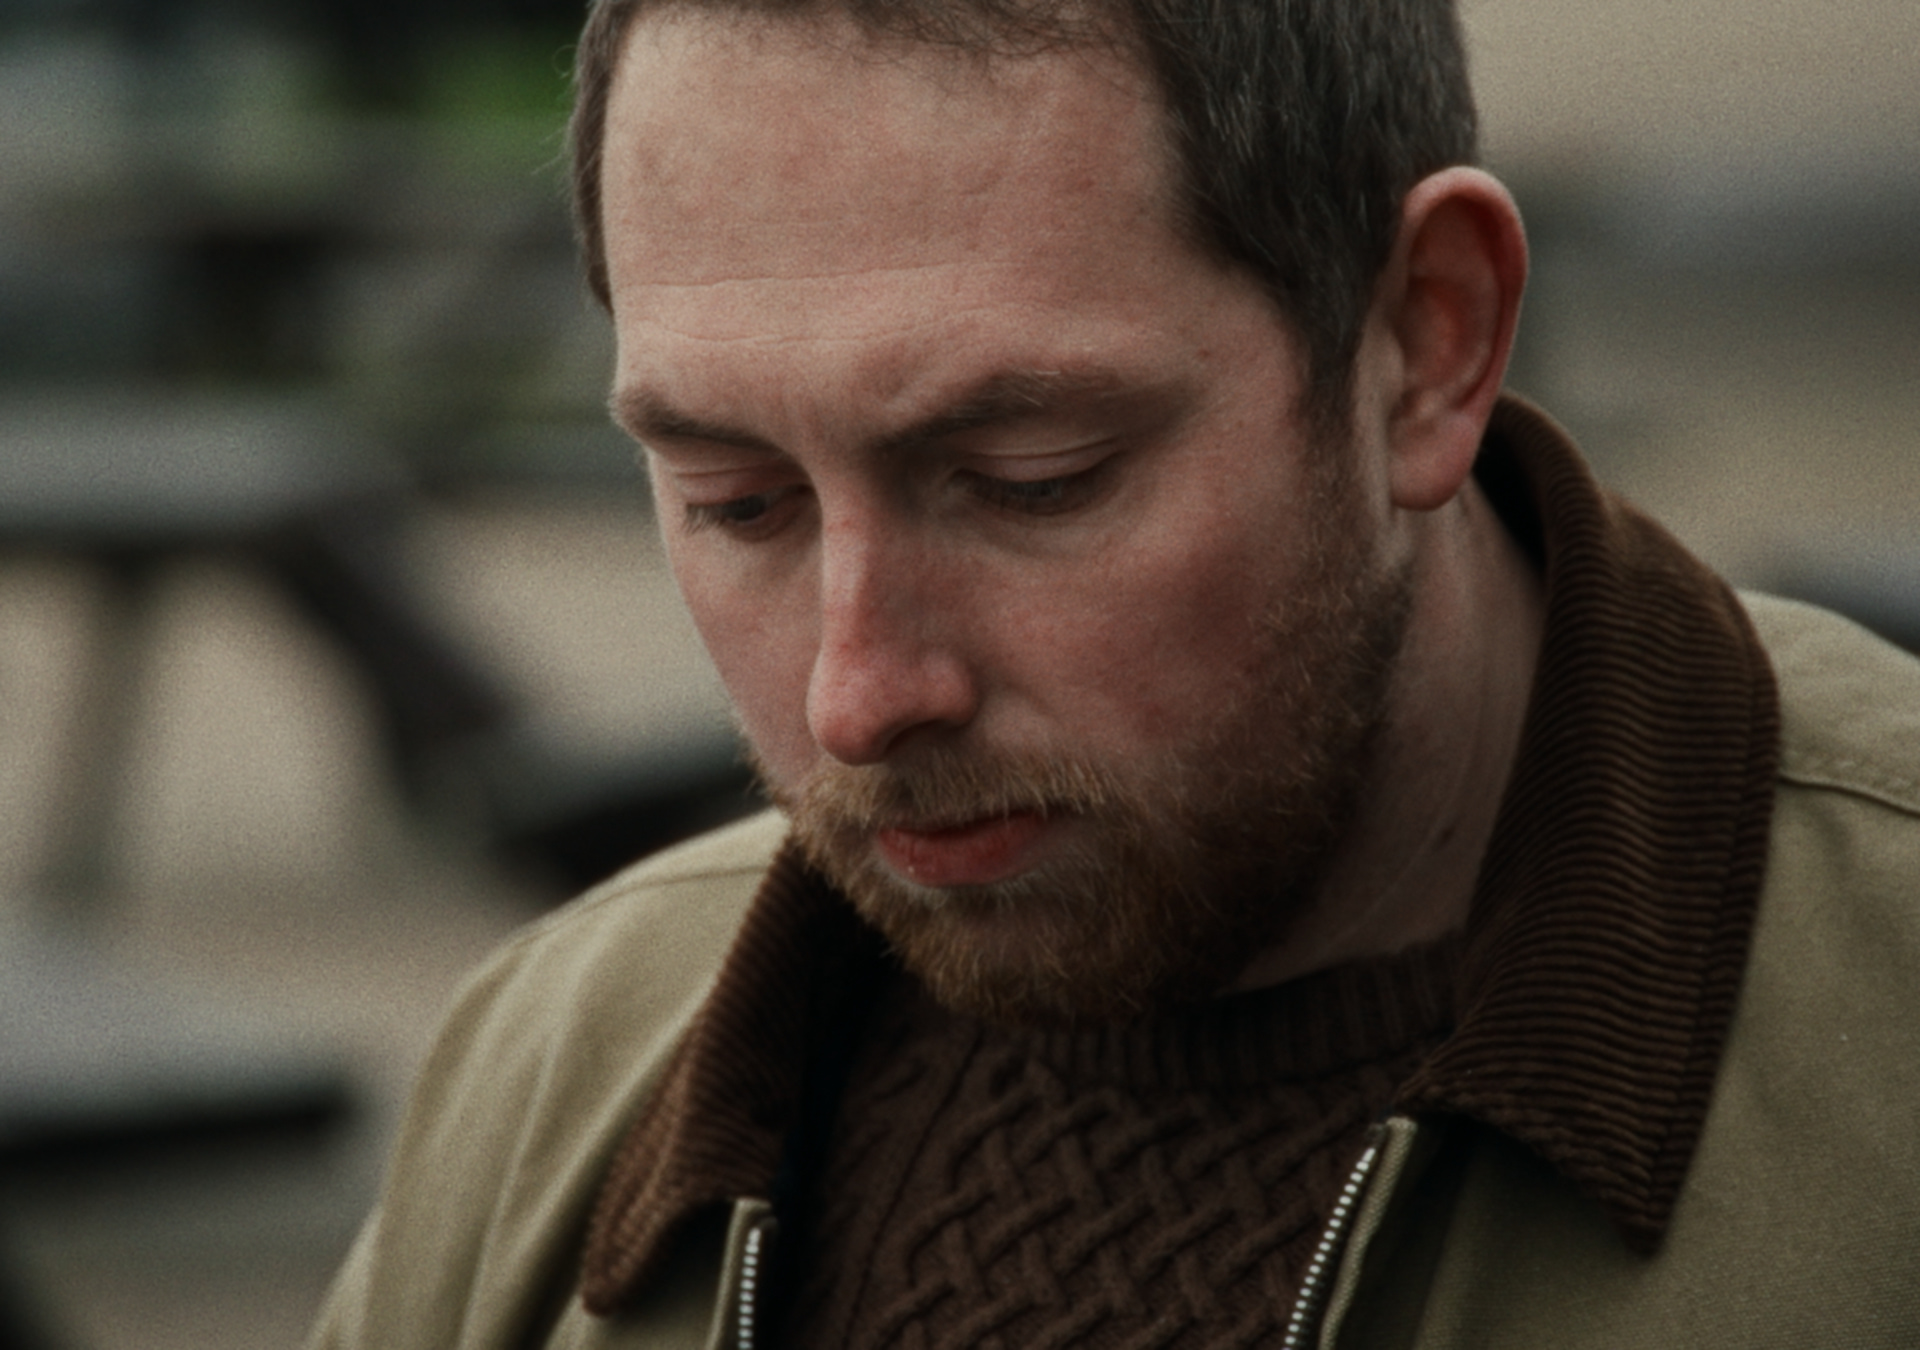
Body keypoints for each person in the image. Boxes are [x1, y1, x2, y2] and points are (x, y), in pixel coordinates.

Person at [310, 0, 1920, 1346]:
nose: (855, 700)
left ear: (1427, 343)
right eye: (738, 501)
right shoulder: (554, 1065)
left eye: (1035, 479)